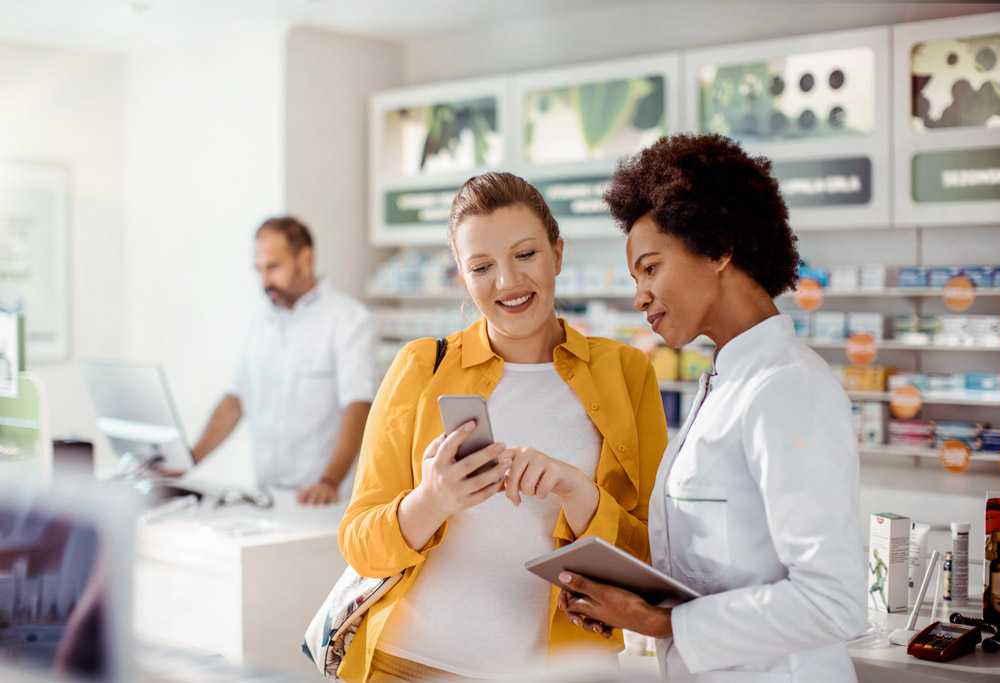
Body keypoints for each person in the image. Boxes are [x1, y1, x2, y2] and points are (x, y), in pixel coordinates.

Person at [557, 134, 865, 682]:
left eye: (650, 268)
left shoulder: (789, 387)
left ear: (720, 249)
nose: (639, 296)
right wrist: (628, 600)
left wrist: (662, 623)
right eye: (635, 278)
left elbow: (833, 601)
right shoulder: (725, 384)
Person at [338, 172, 667, 682]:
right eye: (482, 267)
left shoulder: (625, 372)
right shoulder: (421, 367)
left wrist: (578, 493)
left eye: (525, 254)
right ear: (462, 277)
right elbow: (359, 543)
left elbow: (653, 557)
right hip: (408, 667)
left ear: (557, 253)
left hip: (564, 673)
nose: (508, 282)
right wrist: (432, 500)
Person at [191, 216, 376, 506]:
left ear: (305, 258)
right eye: (259, 269)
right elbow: (235, 401)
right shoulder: (258, 323)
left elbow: (359, 406)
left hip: (325, 496)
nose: (265, 281)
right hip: (266, 495)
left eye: (273, 267)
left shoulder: (349, 319)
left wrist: (329, 481)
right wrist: (188, 460)